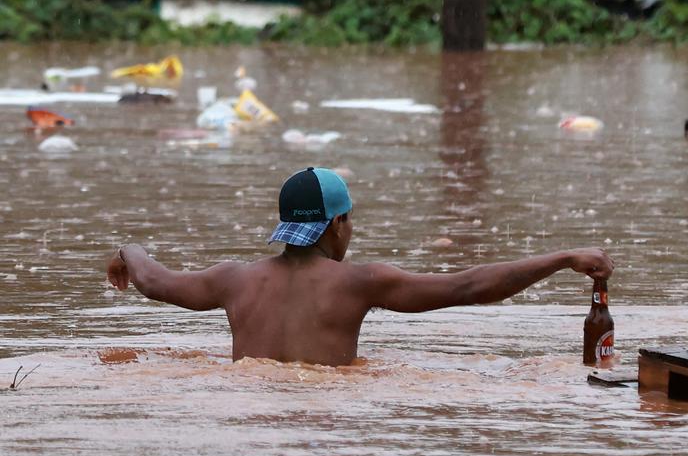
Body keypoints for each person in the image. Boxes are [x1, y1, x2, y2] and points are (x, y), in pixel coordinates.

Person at [106, 166, 613, 366]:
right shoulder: (360, 282)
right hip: (329, 415)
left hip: (249, 413)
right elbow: (470, 287)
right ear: (337, 224)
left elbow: (154, 281)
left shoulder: (233, 279)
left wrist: (129, 251)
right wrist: (563, 257)